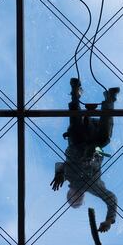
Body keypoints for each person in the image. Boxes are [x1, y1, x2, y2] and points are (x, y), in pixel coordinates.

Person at [50, 78, 119, 232]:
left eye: (73, 200)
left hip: (79, 140)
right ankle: (108, 101)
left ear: (69, 193)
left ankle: (76, 95)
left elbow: (59, 165)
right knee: (104, 137)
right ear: (82, 198)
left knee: (76, 130)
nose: (77, 199)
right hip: (94, 140)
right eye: (78, 202)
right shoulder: (93, 187)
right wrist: (109, 220)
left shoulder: (70, 177)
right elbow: (111, 199)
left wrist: (60, 173)